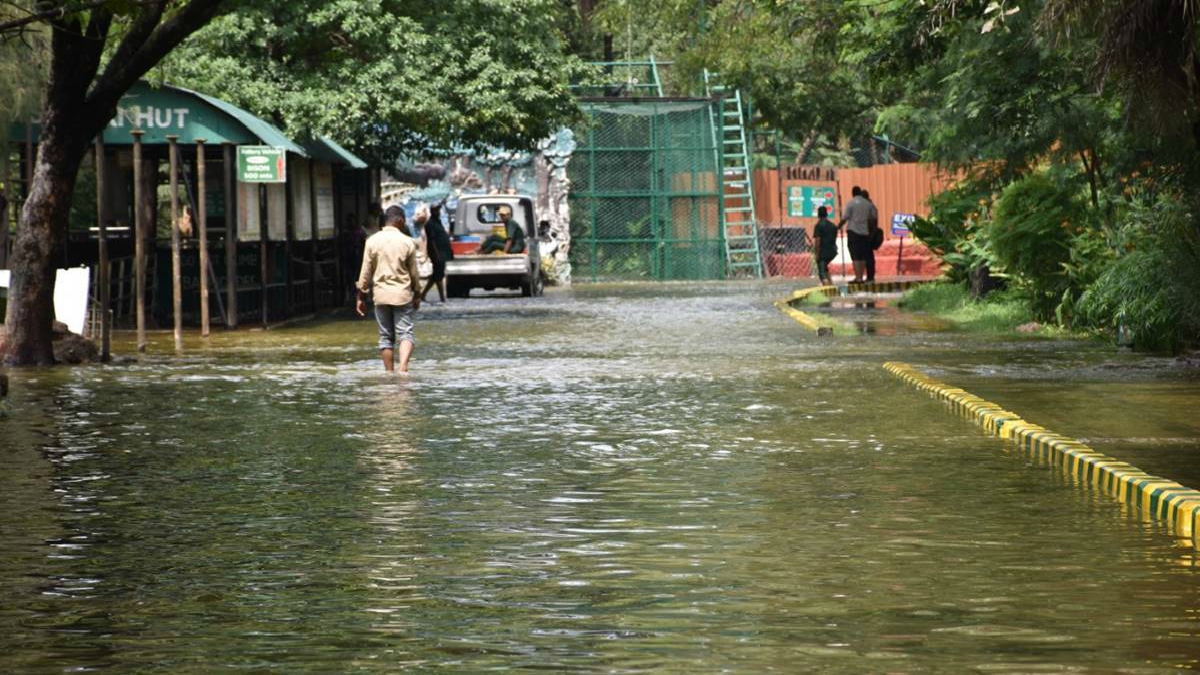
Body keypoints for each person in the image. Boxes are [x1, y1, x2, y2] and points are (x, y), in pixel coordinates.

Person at [356, 206, 422, 374]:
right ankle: (403, 369)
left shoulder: (372, 241)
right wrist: (417, 293)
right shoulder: (407, 242)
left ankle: (389, 373)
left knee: (385, 337)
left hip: (381, 295)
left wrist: (360, 297)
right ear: (399, 220)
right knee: (406, 333)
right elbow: (414, 273)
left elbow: (365, 272)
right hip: (402, 295)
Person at [837, 186, 878, 283]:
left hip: (853, 232)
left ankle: (858, 277)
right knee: (863, 255)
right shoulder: (868, 204)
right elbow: (873, 218)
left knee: (855, 255)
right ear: (860, 192)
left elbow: (845, 218)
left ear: (853, 193)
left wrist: (838, 227)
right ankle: (862, 277)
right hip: (864, 233)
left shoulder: (850, 203)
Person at [421, 203, 454, 302]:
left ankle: (423, 294)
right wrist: (436, 254)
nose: (438, 212)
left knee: (436, 275)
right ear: (432, 211)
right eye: (436, 210)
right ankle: (442, 298)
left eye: (439, 210)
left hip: (442, 252)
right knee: (438, 275)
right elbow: (432, 241)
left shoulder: (438, 222)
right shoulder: (430, 224)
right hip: (437, 253)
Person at [812, 205, 838, 286]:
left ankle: (826, 287)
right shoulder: (833, 226)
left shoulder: (818, 225)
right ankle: (831, 285)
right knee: (825, 268)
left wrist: (816, 254)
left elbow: (818, 241)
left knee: (821, 271)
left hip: (823, 252)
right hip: (833, 251)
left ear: (818, 215)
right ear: (826, 214)